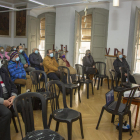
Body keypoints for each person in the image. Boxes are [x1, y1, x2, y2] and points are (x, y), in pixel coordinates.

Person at [0, 58, 17, 140]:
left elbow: (13, 86)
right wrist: (3, 101)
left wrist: (13, 96)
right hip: (0, 100)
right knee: (7, 113)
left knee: (26, 104)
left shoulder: (3, 70)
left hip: (9, 97)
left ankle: (30, 134)